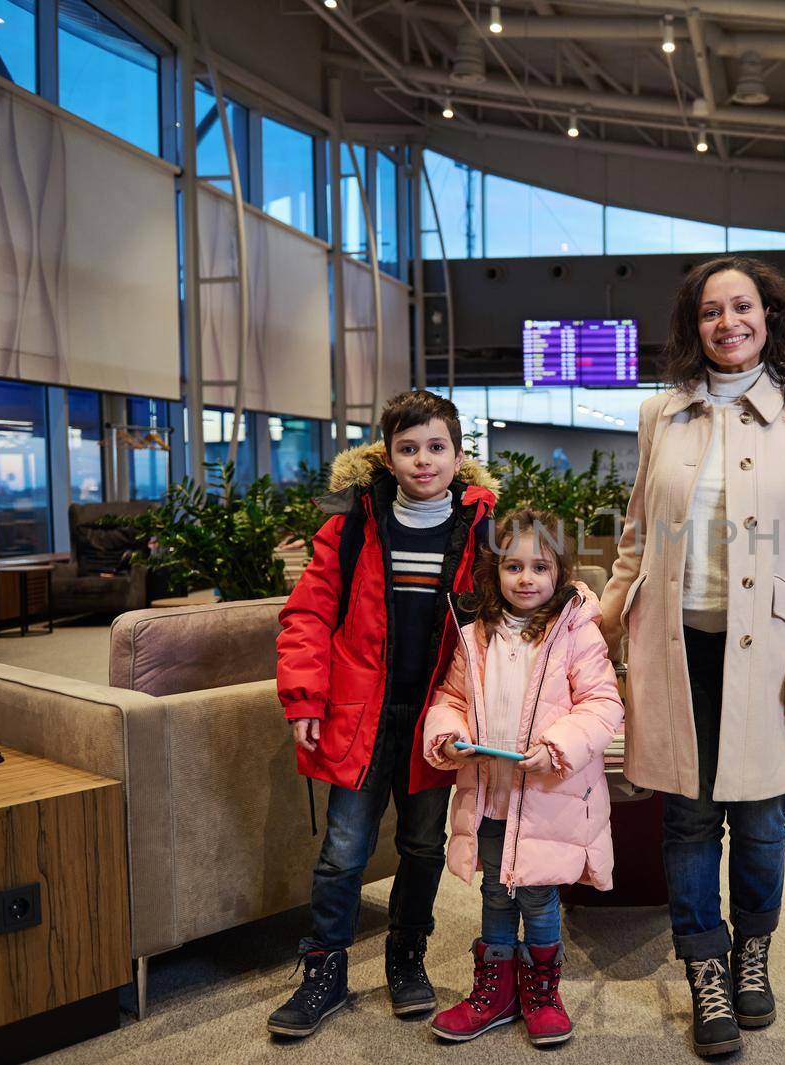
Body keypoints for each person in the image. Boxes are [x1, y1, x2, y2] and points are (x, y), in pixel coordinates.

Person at [599, 256, 785, 1059]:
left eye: (743, 307)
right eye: (710, 311)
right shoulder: (659, 414)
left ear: (769, 316)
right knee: (688, 818)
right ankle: (705, 965)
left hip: (765, 653)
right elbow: (636, 537)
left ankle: (752, 950)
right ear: (691, 326)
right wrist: (599, 628)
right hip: (673, 646)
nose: (727, 322)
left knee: (764, 819)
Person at [269, 390, 498, 1039]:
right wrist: (305, 697)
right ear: (388, 455)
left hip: (437, 720)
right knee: (343, 851)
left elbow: (509, 619)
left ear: (457, 455)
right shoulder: (352, 523)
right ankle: (325, 971)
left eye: (436, 447)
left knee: (423, 844)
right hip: (358, 714)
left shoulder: (481, 527)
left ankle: (406, 957)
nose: (423, 460)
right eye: (408, 448)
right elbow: (308, 615)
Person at [423, 508, 625, 1048]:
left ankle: (541, 989)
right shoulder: (476, 635)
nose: (526, 578)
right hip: (490, 795)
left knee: (537, 896)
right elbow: (450, 699)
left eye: (540, 566)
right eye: (513, 566)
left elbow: (603, 705)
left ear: (559, 571)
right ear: (495, 571)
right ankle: (496, 991)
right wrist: (449, 735)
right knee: (495, 891)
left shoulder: (576, 632)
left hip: (547, 797)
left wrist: (557, 749)